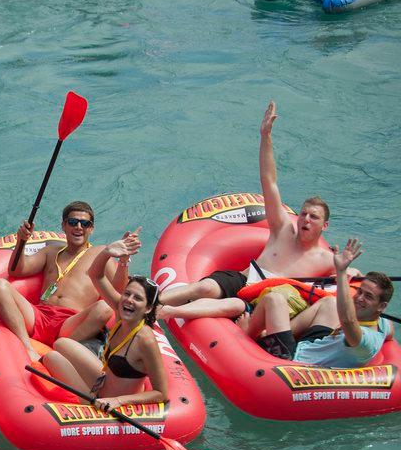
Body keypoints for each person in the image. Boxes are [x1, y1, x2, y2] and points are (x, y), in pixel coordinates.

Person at [158, 101, 337, 323]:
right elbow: (269, 181)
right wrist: (265, 136)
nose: (305, 219)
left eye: (313, 217)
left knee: (231, 306)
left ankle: (167, 312)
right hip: (244, 280)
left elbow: (345, 282)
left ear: (324, 226)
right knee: (206, 286)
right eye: (303, 214)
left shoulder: (327, 259)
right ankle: (153, 301)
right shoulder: (283, 228)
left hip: (267, 301)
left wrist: (352, 272)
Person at [42, 230, 169, 413]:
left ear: (148, 308)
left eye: (138, 298)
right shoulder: (120, 309)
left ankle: (86, 403)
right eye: (127, 293)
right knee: (55, 350)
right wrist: (108, 252)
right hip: (100, 383)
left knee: (53, 359)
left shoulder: (145, 340)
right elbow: (96, 275)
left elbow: (161, 393)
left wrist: (119, 401)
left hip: (106, 402)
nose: (129, 300)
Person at [0, 201, 123, 361]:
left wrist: (124, 261)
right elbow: (16, 270)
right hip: (40, 315)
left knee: (104, 307)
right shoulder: (51, 251)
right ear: (64, 226)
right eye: (73, 222)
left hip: (70, 323)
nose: (79, 227)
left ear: (91, 229)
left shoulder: (101, 253)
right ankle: (26, 346)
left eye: (85, 223)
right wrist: (22, 240)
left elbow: (120, 290)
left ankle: (62, 350)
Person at [254, 239, 393, 366]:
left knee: (274, 299)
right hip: (311, 346)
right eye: (360, 291)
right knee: (330, 303)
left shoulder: (364, 341)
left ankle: (246, 333)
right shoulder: (382, 325)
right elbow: (390, 330)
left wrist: (341, 273)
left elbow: (348, 320)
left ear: (382, 306)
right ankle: (271, 334)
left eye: (368, 296)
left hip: (293, 362)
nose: (359, 298)